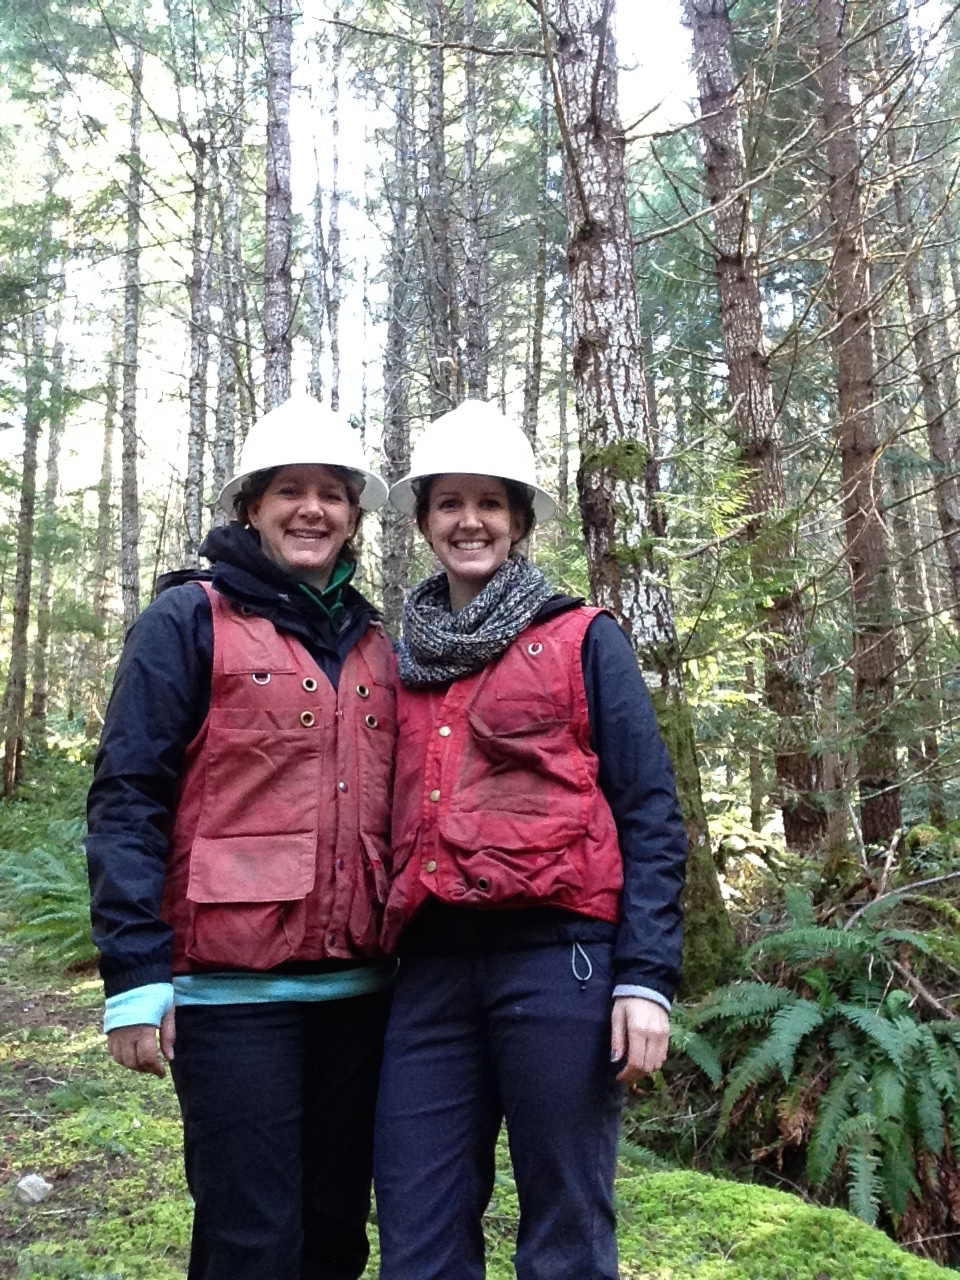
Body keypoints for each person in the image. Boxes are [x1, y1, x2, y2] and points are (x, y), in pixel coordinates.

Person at [373, 400, 688, 1280]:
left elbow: (650, 813)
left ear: (517, 520)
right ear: (426, 520)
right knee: (417, 1226)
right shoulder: (400, 658)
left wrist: (647, 979)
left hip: (563, 964)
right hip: (428, 970)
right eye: (448, 503)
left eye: (489, 503)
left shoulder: (585, 639)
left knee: (566, 1228)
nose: (468, 521)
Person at [85, 394, 398, 1280]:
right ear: (251, 506)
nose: (312, 509)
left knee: (336, 1228)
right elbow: (128, 796)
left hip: (360, 992)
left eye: (332, 493)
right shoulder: (188, 622)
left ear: (353, 515)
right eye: (289, 490)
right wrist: (136, 974)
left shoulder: (376, 643)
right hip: (230, 996)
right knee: (250, 1237)